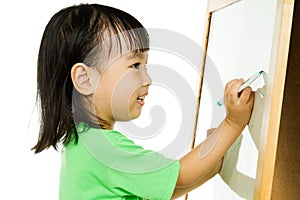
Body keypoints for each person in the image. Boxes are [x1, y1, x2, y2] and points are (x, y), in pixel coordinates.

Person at [32, 3, 254, 200]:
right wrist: (233, 123)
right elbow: (180, 177)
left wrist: (214, 159)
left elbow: (165, 189)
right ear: (85, 79)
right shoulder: (102, 149)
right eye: (135, 65)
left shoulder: (80, 143)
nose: (147, 79)